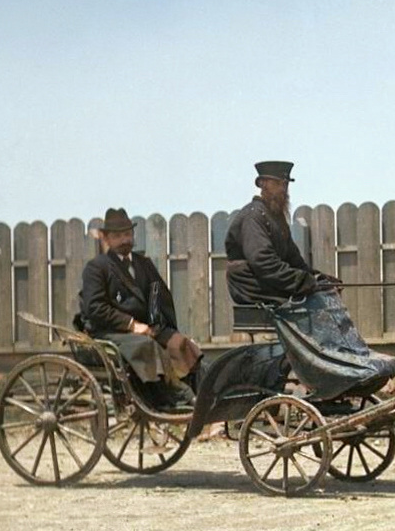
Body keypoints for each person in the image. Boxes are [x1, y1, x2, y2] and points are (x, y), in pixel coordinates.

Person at [77, 207, 203, 409]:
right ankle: (172, 395)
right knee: (145, 346)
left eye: (127, 234)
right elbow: (95, 308)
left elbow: (157, 295)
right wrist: (131, 325)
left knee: (180, 342)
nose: (124, 240)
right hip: (110, 331)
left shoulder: (143, 263)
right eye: (118, 236)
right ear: (107, 239)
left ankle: (197, 395)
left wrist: (156, 326)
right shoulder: (97, 267)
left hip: (144, 328)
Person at [225, 161, 338, 303]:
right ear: (263, 184)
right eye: (278, 184)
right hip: (252, 289)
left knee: (323, 297)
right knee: (314, 304)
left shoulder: (276, 217)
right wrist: (307, 282)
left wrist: (321, 279)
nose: (283, 189)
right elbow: (263, 263)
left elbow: (294, 260)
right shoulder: (253, 216)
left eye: (285, 184)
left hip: (270, 285)